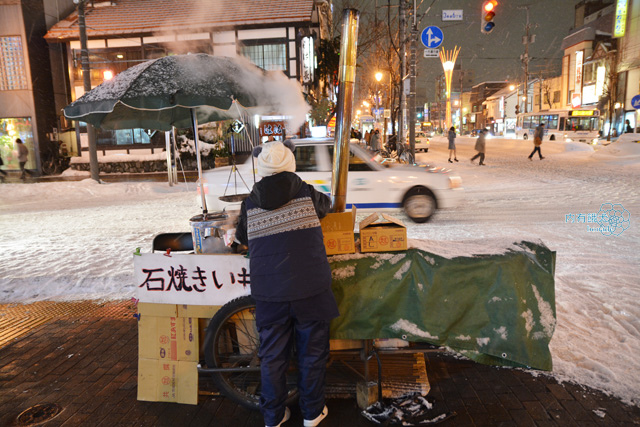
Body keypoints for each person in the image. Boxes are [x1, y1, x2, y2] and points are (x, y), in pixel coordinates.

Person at [235, 140, 338, 427]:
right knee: (312, 353)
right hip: (310, 288)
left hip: (270, 294)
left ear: (262, 168)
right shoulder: (308, 194)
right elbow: (327, 206)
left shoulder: (249, 204)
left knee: (272, 358)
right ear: (290, 165)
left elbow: (241, 239)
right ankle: (312, 413)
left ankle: (274, 417)